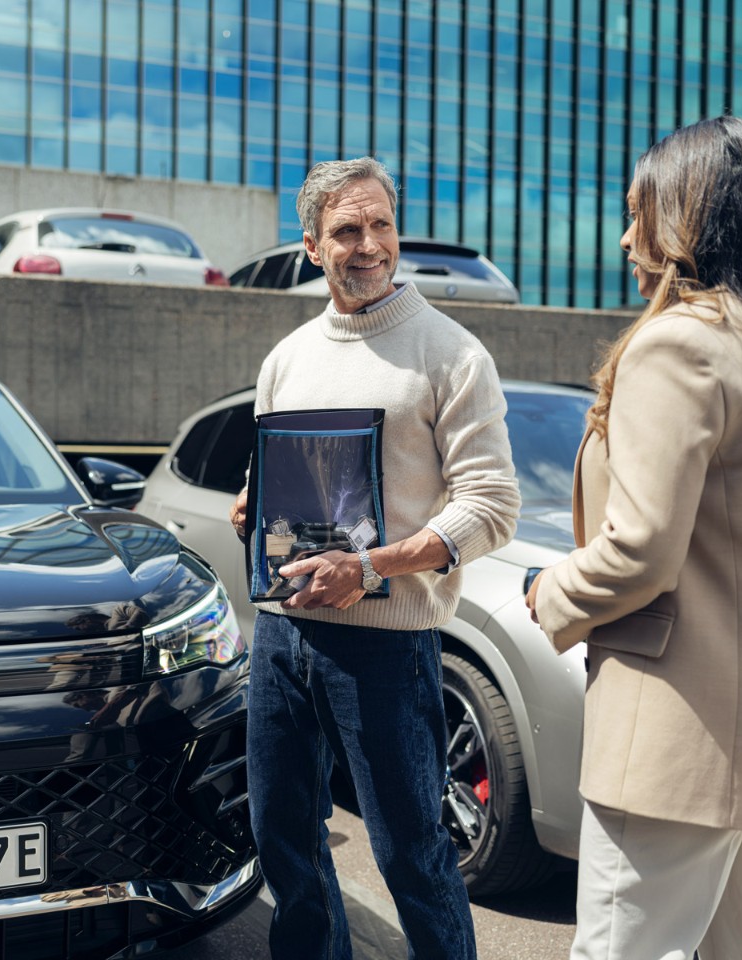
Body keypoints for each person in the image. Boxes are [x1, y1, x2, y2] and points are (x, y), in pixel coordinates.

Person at [526, 115, 742, 960]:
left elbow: (639, 550)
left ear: (689, 219)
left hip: (678, 732)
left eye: (639, 213)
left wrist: (548, 593)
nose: (624, 237)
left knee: (620, 951)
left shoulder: (680, 345)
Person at [229, 157, 520, 959]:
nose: (368, 245)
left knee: (411, 857)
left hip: (387, 643)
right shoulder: (285, 357)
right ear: (312, 246)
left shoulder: (451, 353)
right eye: (346, 230)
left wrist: (372, 567)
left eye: (380, 224)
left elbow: (491, 506)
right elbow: (269, 478)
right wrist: (253, 510)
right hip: (282, 636)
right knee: (283, 838)